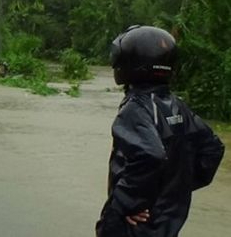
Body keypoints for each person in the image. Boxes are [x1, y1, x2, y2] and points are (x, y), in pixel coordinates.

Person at [96, 25, 225, 237]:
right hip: (167, 223)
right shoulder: (176, 105)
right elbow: (212, 149)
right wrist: (174, 192)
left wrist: (128, 204)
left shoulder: (135, 108)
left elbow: (150, 154)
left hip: (135, 227)